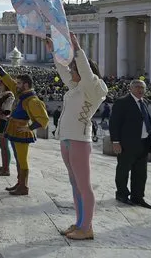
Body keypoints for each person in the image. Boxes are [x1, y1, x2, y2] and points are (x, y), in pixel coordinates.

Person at [50, 34, 108, 240]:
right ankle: (80, 222)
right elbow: (63, 72)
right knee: (75, 184)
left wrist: (77, 50)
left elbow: (85, 72)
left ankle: (87, 227)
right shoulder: (75, 88)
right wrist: (56, 53)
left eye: (75, 69)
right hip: (67, 139)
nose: (71, 72)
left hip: (79, 141)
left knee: (84, 185)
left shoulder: (95, 89)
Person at [0, 60, 49, 196]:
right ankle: (19, 183)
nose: (15, 85)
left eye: (19, 83)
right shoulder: (20, 95)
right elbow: (9, 81)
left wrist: (30, 128)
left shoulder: (32, 100)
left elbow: (43, 119)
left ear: (26, 85)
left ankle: (24, 186)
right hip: (13, 130)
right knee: (18, 158)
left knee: (22, 159)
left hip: (21, 132)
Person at [110, 79, 151, 210]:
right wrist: (116, 142)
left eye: (142, 87)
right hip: (126, 144)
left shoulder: (144, 102)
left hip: (143, 143)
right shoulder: (122, 102)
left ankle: (138, 196)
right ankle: (122, 194)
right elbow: (114, 123)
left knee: (141, 173)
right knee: (123, 170)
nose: (140, 90)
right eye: (137, 87)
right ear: (131, 88)